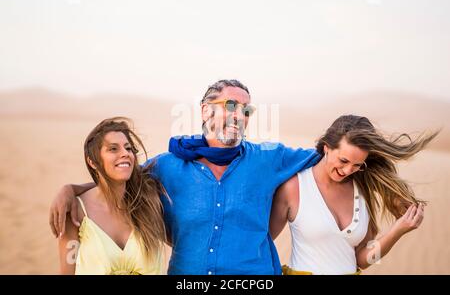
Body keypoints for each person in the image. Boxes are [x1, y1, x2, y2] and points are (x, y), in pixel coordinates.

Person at [50, 80, 321, 275]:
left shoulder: (269, 158)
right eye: (230, 105)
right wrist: (71, 189)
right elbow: (121, 178)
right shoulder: (168, 166)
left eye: (246, 110)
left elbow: (326, 157)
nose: (239, 115)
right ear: (206, 111)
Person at [270, 115, 438, 275]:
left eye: (357, 165)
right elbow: (263, 244)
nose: (348, 170)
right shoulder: (293, 188)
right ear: (326, 147)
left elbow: (363, 261)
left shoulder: (364, 190)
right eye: (343, 161)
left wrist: (397, 231)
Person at [58, 117, 167, 275]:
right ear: (92, 162)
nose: (125, 154)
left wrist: (70, 188)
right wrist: (68, 190)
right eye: (113, 149)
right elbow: (67, 272)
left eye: (128, 148)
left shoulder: (148, 201)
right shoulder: (76, 213)